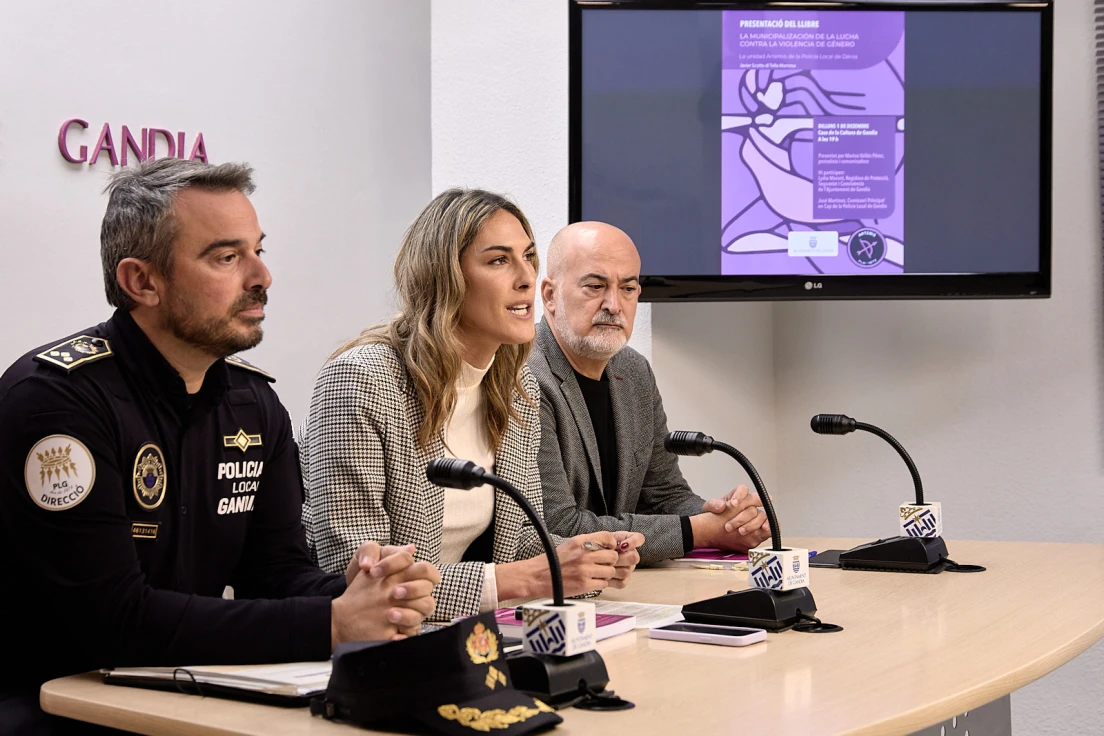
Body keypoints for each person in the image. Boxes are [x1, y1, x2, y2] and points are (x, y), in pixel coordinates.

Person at [0, 159, 439, 734]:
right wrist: (330, 621)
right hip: (53, 705)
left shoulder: (254, 404)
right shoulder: (56, 399)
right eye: (227, 257)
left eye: (259, 250)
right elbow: (114, 621)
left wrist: (367, 592)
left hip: (183, 694)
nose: (262, 276)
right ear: (143, 281)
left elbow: (277, 572)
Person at [300, 188, 644, 622]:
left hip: (460, 637)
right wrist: (529, 580)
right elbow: (361, 581)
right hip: (367, 654)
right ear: (445, 276)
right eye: (499, 261)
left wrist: (586, 556)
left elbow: (517, 538)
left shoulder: (517, 386)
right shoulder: (362, 380)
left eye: (529, 257)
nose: (525, 279)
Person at [530, 221, 773, 565]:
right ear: (550, 295)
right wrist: (701, 530)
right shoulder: (525, 376)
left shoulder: (633, 371)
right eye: (595, 286)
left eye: (628, 288)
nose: (614, 304)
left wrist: (726, 517)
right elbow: (556, 527)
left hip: (623, 586)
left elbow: (663, 494)